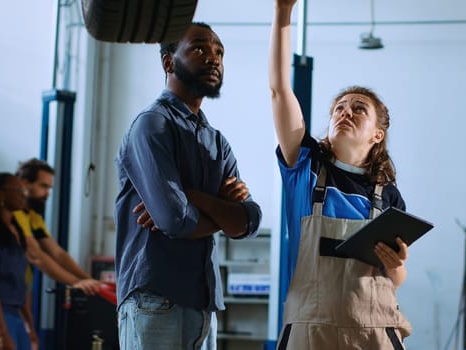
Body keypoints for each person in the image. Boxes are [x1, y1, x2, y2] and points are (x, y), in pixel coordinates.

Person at [269, 1, 412, 349]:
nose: (345, 113)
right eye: (339, 108)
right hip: (309, 331)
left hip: (376, 333)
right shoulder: (305, 169)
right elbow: (279, 91)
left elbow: (396, 278)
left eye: (358, 109)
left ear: (377, 134)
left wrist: (397, 264)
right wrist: (283, 12)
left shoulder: (387, 196)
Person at [114, 22, 262, 350]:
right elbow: (175, 220)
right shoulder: (152, 125)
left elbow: (250, 221)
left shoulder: (216, 142)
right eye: (198, 48)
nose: (213, 58)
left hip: (203, 303)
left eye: (219, 52)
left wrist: (193, 197)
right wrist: (221, 210)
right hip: (154, 299)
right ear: (169, 62)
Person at [14, 158, 102, 296]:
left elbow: (57, 253)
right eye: (43, 186)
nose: (47, 193)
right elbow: (35, 255)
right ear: (25, 184)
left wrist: (88, 280)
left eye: (49, 188)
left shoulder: (32, 215)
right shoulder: (15, 213)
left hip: (17, 290)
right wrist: (76, 282)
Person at [0, 173, 38, 350]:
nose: (22, 194)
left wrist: (30, 327)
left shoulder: (16, 234)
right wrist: (2, 333)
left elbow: (21, 285)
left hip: (16, 317)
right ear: (0, 195)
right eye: (17, 190)